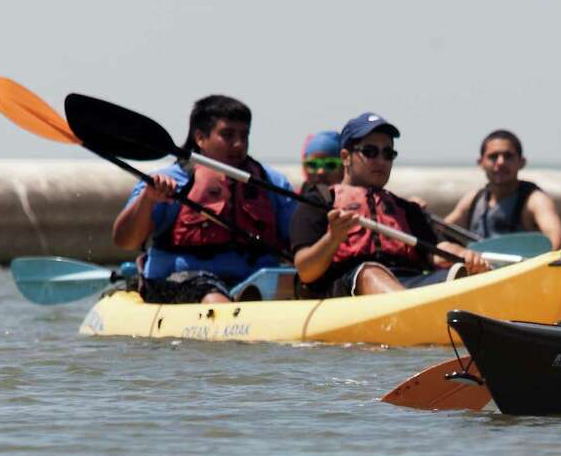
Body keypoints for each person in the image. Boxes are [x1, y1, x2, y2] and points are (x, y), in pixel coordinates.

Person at [112, 95, 296, 303]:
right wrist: (148, 198)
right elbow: (125, 241)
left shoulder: (271, 183)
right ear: (200, 138)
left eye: (244, 136)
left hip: (255, 281)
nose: (238, 144)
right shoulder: (171, 181)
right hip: (183, 281)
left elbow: (300, 243)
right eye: (227, 135)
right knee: (212, 295)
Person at [291, 113, 489, 297]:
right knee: (370, 272)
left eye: (388, 154)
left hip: (408, 282)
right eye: (370, 152)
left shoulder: (406, 208)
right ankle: (410, 314)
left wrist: (465, 256)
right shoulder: (320, 201)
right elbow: (306, 271)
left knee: (460, 272)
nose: (380, 160)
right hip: (350, 285)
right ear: (345, 157)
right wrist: (333, 238)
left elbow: (437, 252)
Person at [444, 129, 561, 249]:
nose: (501, 162)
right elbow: (441, 230)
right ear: (480, 162)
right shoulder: (474, 200)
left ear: (521, 162)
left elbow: (555, 239)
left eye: (508, 156)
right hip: (479, 266)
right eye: (493, 157)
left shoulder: (534, 200)